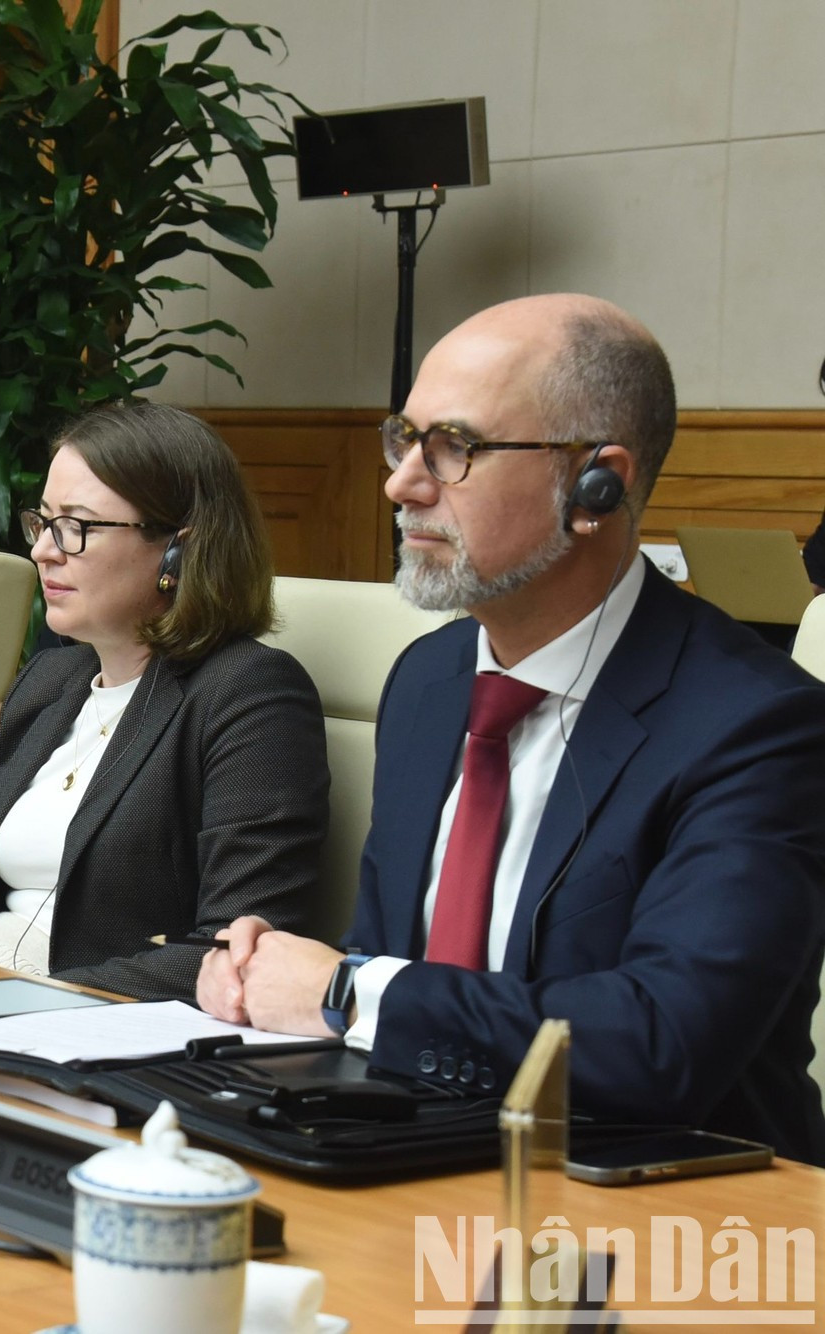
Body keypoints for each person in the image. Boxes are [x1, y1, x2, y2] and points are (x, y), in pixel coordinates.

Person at [199, 294, 825, 1164]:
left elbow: (663, 1044)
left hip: (667, 1196)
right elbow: (395, 963)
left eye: (455, 447)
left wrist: (347, 991)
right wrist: (266, 977)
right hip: (417, 1154)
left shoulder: (757, 726)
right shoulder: (427, 682)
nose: (401, 484)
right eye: (403, 440)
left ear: (597, 485)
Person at [0, 401, 330, 1002]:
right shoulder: (49, 681)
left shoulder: (249, 694)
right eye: (43, 522)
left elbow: (232, 949)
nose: (44, 551)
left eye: (77, 527)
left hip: (81, 1024)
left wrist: (27, 1000)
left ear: (178, 548)